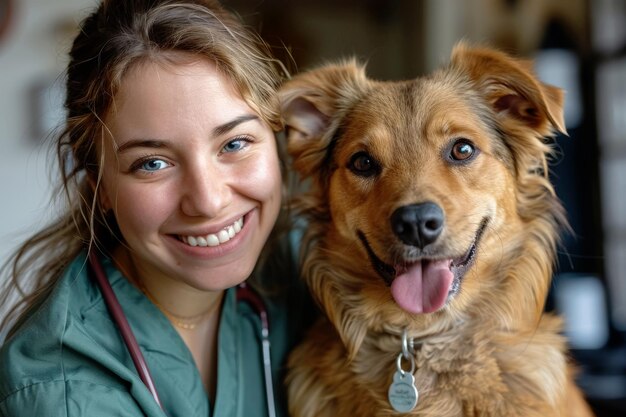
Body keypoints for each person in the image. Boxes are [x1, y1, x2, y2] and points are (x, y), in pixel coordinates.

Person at [0, 0, 312, 415]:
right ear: (99, 188)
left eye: (235, 143)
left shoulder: (308, 260)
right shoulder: (63, 391)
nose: (208, 200)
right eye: (153, 163)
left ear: (277, 137)